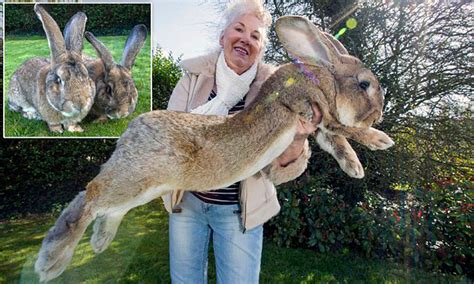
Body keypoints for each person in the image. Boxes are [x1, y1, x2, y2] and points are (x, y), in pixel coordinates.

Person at [162, 0, 321, 283]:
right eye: (239, 29)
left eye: (255, 36)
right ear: (223, 36)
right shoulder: (193, 77)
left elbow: (278, 169)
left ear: (261, 49)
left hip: (239, 213)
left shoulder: (275, 91)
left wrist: (298, 137)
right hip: (188, 204)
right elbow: (169, 137)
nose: (246, 39)